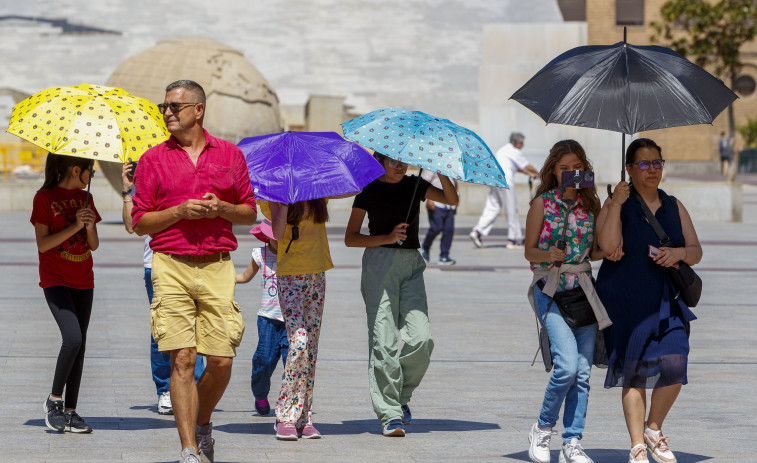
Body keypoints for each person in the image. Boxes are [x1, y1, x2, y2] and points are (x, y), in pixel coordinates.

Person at [131, 80, 256, 463]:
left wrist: (222, 208)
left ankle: (202, 423)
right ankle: (188, 450)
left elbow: (250, 212)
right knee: (182, 357)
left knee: (221, 360)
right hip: (170, 264)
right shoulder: (153, 159)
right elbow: (139, 222)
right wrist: (178, 213)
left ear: (198, 110)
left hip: (218, 265)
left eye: (174, 106)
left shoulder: (230, 155)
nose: (167, 112)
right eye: (163, 106)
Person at [596, 138, 702, 463]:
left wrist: (677, 254)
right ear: (629, 168)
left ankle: (653, 429)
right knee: (634, 374)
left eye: (657, 162)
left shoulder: (674, 205)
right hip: (626, 300)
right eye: (643, 163)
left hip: (666, 301)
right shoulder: (617, 204)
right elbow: (606, 245)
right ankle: (637, 445)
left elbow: (696, 252)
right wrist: (615, 203)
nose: (652, 169)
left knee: (676, 361)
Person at [345, 154, 458, 437]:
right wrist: (386, 237)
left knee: (422, 338)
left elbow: (451, 200)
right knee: (382, 341)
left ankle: (400, 395)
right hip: (379, 264)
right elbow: (351, 237)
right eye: (393, 161)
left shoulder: (415, 185)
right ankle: (390, 414)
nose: (400, 166)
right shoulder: (367, 188)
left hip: (411, 264)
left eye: (403, 161)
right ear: (380, 161)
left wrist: (441, 169)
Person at [524, 140, 620, 463]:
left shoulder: (590, 206)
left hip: (583, 291)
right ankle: (542, 427)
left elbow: (594, 252)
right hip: (550, 290)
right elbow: (529, 252)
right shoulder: (542, 204)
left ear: (585, 170)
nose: (571, 173)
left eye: (576, 167)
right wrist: (548, 254)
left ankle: (572, 442)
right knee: (565, 366)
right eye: (564, 168)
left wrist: (610, 207)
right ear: (553, 170)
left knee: (581, 373)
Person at [121, 163, 205, 416]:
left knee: (194, 327)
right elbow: (131, 226)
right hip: (157, 264)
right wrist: (128, 191)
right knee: (162, 330)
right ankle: (166, 390)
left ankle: (193, 384)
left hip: (193, 260)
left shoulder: (192, 173)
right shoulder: (147, 179)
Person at [33, 153, 100, 434]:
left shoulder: (86, 199)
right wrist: (74, 225)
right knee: (71, 338)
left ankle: (71, 412)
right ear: (76, 170)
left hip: (84, 279)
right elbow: (43, 244)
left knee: (80, 345)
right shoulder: (44, 197)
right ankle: (54, 400)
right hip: (56, 279)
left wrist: (88, 225)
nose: (90, 177)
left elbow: (93, 245)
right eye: (90, 172)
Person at [269, 199, 333, 440]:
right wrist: (285, 201)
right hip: (290, 275)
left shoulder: (318, 191)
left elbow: (352, 188)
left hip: (316, 274)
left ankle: (304, 416)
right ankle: (285, 416)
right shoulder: (275, 195)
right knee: (299, 343)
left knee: (311, 349)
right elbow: (276, 235)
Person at [235, 218, 288, 417]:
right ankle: (260, 394)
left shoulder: (295, 254)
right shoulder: (261, 254)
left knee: (291, 363)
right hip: (267, 319)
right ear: (267, 237)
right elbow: (244, 277)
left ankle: (289, 401)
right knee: (264, 360)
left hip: (291, 319)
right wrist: (221, 278)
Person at [470, 132, 538, 249]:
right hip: (506, 183)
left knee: (492, 207)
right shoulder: (514, 151)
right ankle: (513, 240)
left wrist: (529, 174)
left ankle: (477, 231)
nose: (522, 145)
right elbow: (527, 165)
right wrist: (539, 173)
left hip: (495, 181)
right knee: (511, 210)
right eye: (522, 143)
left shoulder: (503, 150)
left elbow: (516, 167)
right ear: (517, 143)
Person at [420, 170, 458, 265]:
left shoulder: (452, 166)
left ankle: (444, 255)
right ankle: (425, 246)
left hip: (449, 205)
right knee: (436, 227)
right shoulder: (433, 164)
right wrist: (429, 200)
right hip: (437, 202)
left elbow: (455, 183)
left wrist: (457, 196)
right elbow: (425, 182)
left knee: (449, 229)